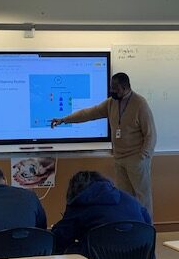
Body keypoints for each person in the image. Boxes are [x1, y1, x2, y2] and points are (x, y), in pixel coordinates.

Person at [51, 72, 156, 216]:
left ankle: (146, 229)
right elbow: (88, 113)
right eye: (111, 87)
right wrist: (64, 120)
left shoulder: (140, 104)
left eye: (115, 88)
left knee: (142, 198)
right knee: (124, 197)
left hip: (136, 159)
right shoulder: (111, 103)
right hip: (119, 159)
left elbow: (151, 134)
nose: (112, 91)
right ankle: (128, 228)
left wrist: (143, 156)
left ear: (125, 88)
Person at [51, 170, 152, 255]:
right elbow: (148, 226)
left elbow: (59, 240)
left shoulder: (79, 202)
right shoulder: (129, 199)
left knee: (70, 251)